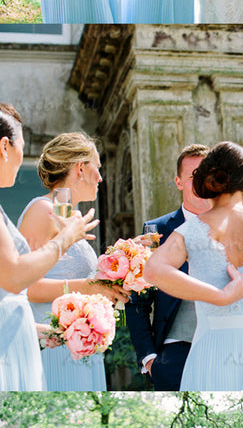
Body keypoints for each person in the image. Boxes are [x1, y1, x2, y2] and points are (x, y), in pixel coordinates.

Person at [144, 141, 243, 391]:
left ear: (208, 185)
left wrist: (219, 297)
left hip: (209, 356)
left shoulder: (190, 231)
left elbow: (153, 270)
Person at [18, 132, 127, 392]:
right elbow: (24, 286)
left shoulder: (68, 215)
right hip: (52, 343)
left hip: (78, 344)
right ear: (80, 168)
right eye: (97, 168)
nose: (100, 177)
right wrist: (89, 287)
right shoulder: (43, 210)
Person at [0, 104, 99, 391]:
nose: (100, 177)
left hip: (46, 334)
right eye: (21, 146)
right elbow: (19, 281)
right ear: (5, 147)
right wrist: (66, 241)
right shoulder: (45, 210)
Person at [126, 144, 210, 391]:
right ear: (178, 182)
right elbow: (138, 299)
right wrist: (149, 358)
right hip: (173, 353)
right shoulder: (157, 231)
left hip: (224, 349)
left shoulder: (234, 228)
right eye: (194, 176)